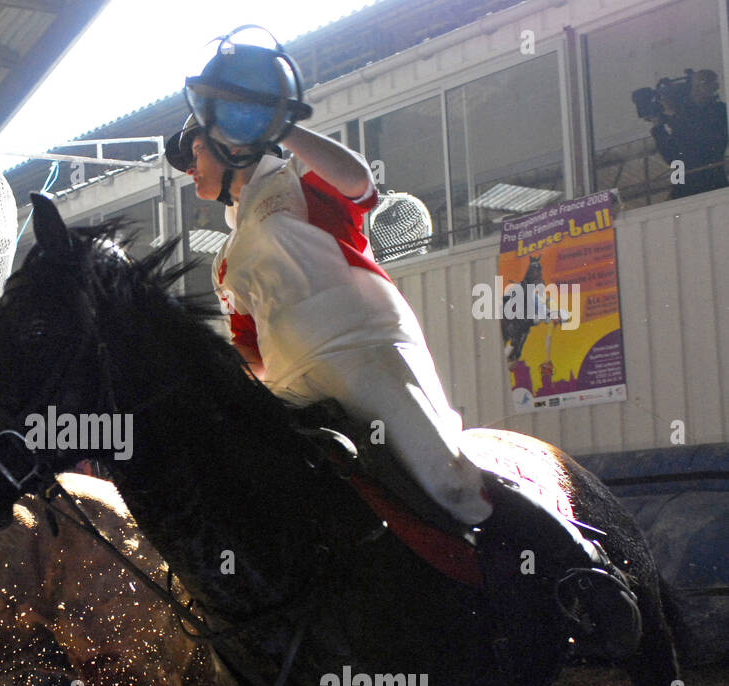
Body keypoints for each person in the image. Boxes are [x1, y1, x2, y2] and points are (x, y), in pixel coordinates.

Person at [165, 34, 639, 649]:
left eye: (196, 151)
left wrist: (283, 129)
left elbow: (361, 184)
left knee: (448, 480)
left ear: (230, 145)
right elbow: (250, 351)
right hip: (291, 383)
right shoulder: (224, 262)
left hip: (363, 349)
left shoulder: (295, 184)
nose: (190, 167)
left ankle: (585, 574)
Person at [649, 69, 728, 199]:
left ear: (714, 87)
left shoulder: (719, 111)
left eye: (702, 84)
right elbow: (673, 158)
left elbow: (708, 146)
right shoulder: (682, 119)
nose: (696, 90)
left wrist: (675, 117)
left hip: (712, 185)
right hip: (684, 189)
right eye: (695, 86)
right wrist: (658, 128)